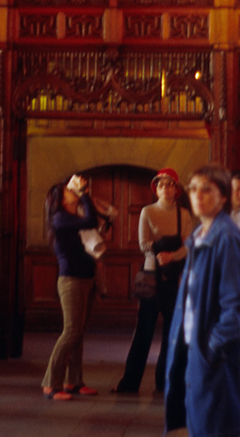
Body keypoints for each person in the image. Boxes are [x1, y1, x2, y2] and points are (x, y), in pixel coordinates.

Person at [165, 164, 240, 437]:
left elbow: (237, 305)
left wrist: (211, 349)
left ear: (222, 198)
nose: (197, 195)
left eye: (206, 189)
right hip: (200, 350)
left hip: (218, 358)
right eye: (193, 188)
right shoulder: (199, 234)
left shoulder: (227, 238)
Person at [111, 167, 193, 395]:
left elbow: (188, 246)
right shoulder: (147, 211)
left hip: (172, 277)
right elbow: (143, 244)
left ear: (176, 190)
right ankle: (130, 382)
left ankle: (165, 382)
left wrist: (171, 255)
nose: (166, 188)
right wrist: (163, 249)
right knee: (144, 331)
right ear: (155, 190)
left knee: (171, 333)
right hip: (151, 276)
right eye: (161, 184)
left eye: (170, 184)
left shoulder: (183, 214)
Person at [40, 173, 112, 401]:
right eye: (68, 191)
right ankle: (51, 384)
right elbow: (90, 221)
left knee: (79, 333)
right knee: (70, 331)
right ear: (61, 200)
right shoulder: (60, 218)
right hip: (70, 279)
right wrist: (83, 196)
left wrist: (85, 199)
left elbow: (98, 221)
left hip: (86, 276)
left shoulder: (74, 215)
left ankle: (75, 381)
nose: (73, 191)